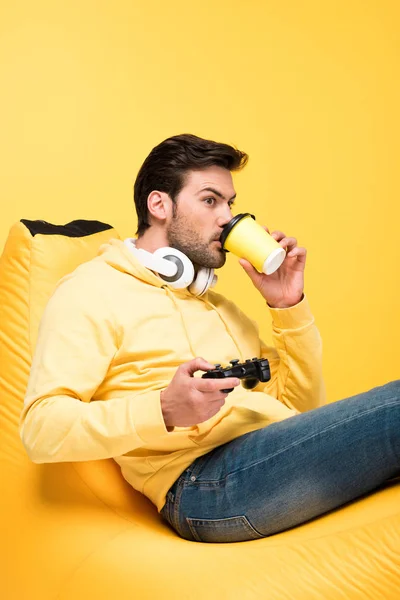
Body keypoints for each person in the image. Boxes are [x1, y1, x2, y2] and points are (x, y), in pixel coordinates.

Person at [20, 133, 400, 543]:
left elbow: (300, 411)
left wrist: (288, 306)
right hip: (204, 487)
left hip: (266, 459)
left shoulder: (222, 310)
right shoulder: (91, 291)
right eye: (209, 200)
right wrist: (162, 410)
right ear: (159, 205)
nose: (227, 218)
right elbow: (41, 429)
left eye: (230, 204)